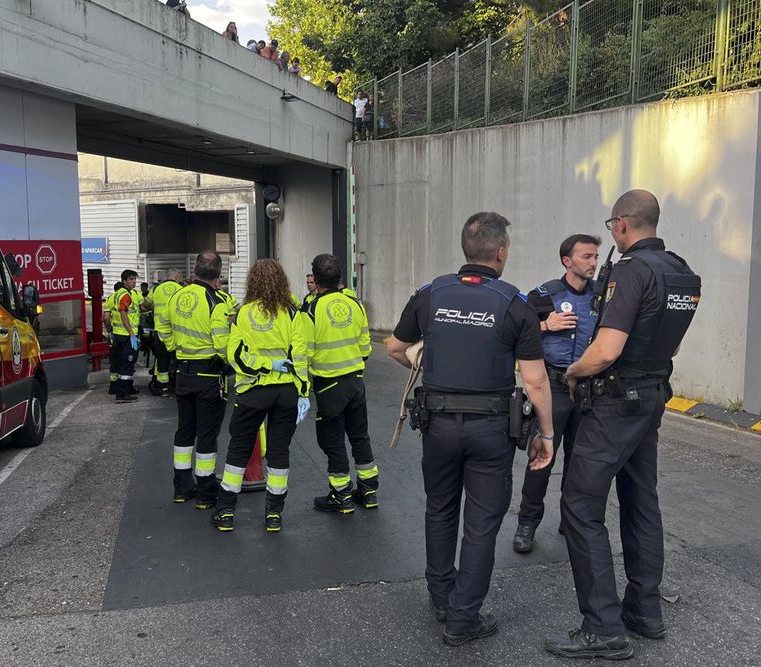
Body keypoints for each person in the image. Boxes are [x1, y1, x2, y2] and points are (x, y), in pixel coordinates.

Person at [386, 212, 554, 647]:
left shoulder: (430, 294)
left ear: (466, 248)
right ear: (500, 252)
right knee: (481, 523)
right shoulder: (514, 303)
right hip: (491, 430)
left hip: (438, 424)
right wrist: (547, 434)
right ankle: (462, 619)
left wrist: (428, 364)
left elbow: (395, 347)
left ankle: (442, 598)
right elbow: (536, 381)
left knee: (440, 509)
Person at [545, 190, 700, 660]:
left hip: (614, 400)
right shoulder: (681, 271)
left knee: (579, 505)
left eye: (611, 225)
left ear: (622, 224)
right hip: (651, 396)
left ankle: (602, 627)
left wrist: (574, 373)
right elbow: (672, 346)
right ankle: (644, 611)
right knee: (641, 500)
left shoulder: (631, 270)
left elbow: (607, 349)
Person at [513, 234, 601, 554]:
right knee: (541, 460)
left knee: (582, 463)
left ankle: (571, 521)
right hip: (554, 390)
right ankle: (527, 524)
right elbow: (515, 331)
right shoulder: (544, 295)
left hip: (589, 392)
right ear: (567, 261)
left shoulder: (603, 296)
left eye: (595, 256)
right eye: (586, 257)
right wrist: (545, 326)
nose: (593, 263)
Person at [212, 259, 312, 533]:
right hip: (286, 391)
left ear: (252, 282)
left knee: (239, 448)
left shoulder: (243, 313)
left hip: (253, 392)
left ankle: (226, 512)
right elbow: (300, 355)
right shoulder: (291, 313)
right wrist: (304, 391)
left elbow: (235, 356)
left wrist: (265, 366)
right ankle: (274, 515)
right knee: (279, 452)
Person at [303, 254, 378, 513]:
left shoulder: (311, 309)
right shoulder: (354, 304)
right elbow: (365, 345)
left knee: (332, 440)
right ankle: (368, 491)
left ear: (316, 279)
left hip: (328, 385)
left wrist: (301, 387)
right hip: (355, 381)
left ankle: (341, 494)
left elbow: (304, 353)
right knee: (359, 436)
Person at [158, 252, 233, 508]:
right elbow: (222, 344)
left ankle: (181, 487)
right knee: (207, 434)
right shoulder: (217, 302)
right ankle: (205, 491)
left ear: (195, 270)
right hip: (209, 375)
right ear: (219, 274)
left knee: (185, 430)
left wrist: (175, 348)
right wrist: (232, 363)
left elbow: (162, 326)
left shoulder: (177, 296)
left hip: (183, 372)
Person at [110, 270, 146, 403]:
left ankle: (125, 389)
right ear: (124, 281)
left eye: (134, 279)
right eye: (131, 279)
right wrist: (131, 334)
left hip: (119, 335)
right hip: (126, 336)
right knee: (127, 364)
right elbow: (123, 314)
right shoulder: (126, 295)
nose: (134, 282)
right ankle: (122, 395)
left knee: (122, 363)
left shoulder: (120, 293)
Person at [150, 269, 183, 396]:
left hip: (160, 330)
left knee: (161, 359)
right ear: (176, 277)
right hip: (176, 331)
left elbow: (146, 304)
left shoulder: (156, 289)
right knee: (177, 359)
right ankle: (177, 385)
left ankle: (163, 387)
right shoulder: (181, 290)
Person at [104, 281, 124, 395]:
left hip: (113, 334)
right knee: (124, 360)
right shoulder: (125, 296)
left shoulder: (110, 298)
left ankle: (113, 386)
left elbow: (106, 318)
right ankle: (122, 385)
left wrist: (109, 331)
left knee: (114, 360)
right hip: (123, 334)